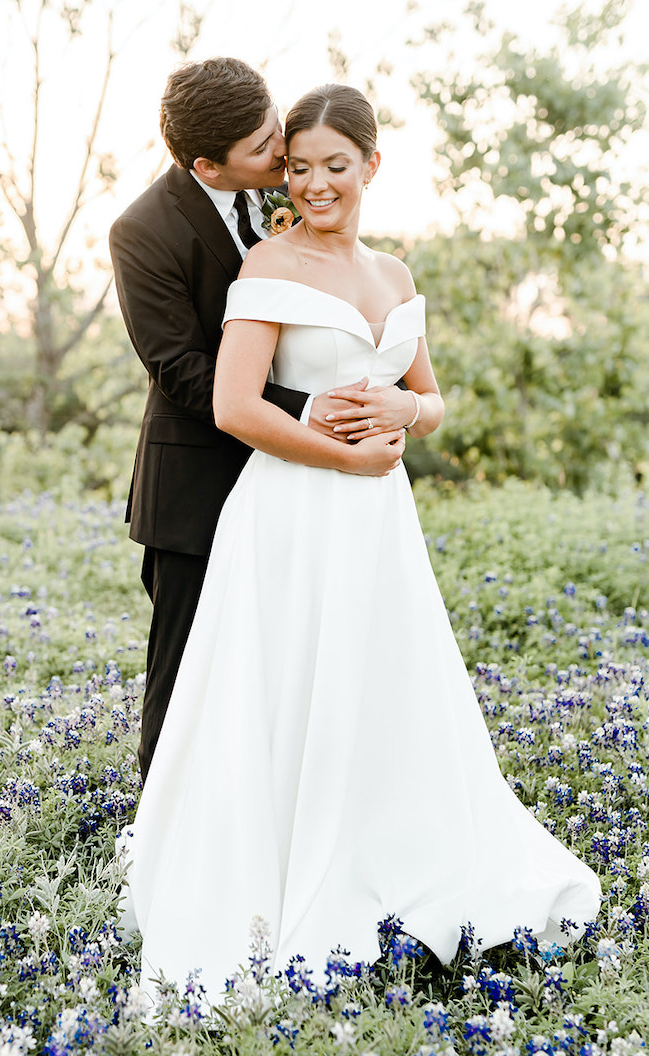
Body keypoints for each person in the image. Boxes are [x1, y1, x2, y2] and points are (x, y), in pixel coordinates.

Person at [122, 84, 601, 1005]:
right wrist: (343, 462)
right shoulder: (268, 265)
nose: (313, 185)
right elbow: (233, 406)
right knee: (291, 686)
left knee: (381, 687)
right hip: (296, 512)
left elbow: (432, 400)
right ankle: (282, 873)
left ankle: (389, 857)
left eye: (334, 166)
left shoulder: (395, 274)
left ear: (372, 166)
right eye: (296, 168)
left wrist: (404, 408)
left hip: (381, 523)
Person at [109, 59, 412, 782]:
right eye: (265, 148)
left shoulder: (286, 183)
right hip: (199, 480)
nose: (283, 155)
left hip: (304, 489)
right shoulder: (142, 232)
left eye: (276, 130)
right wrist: (309, 411)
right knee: (187, 671)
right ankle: (160, 831)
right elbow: (180, 371)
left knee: (287, 666)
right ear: (207, 165)